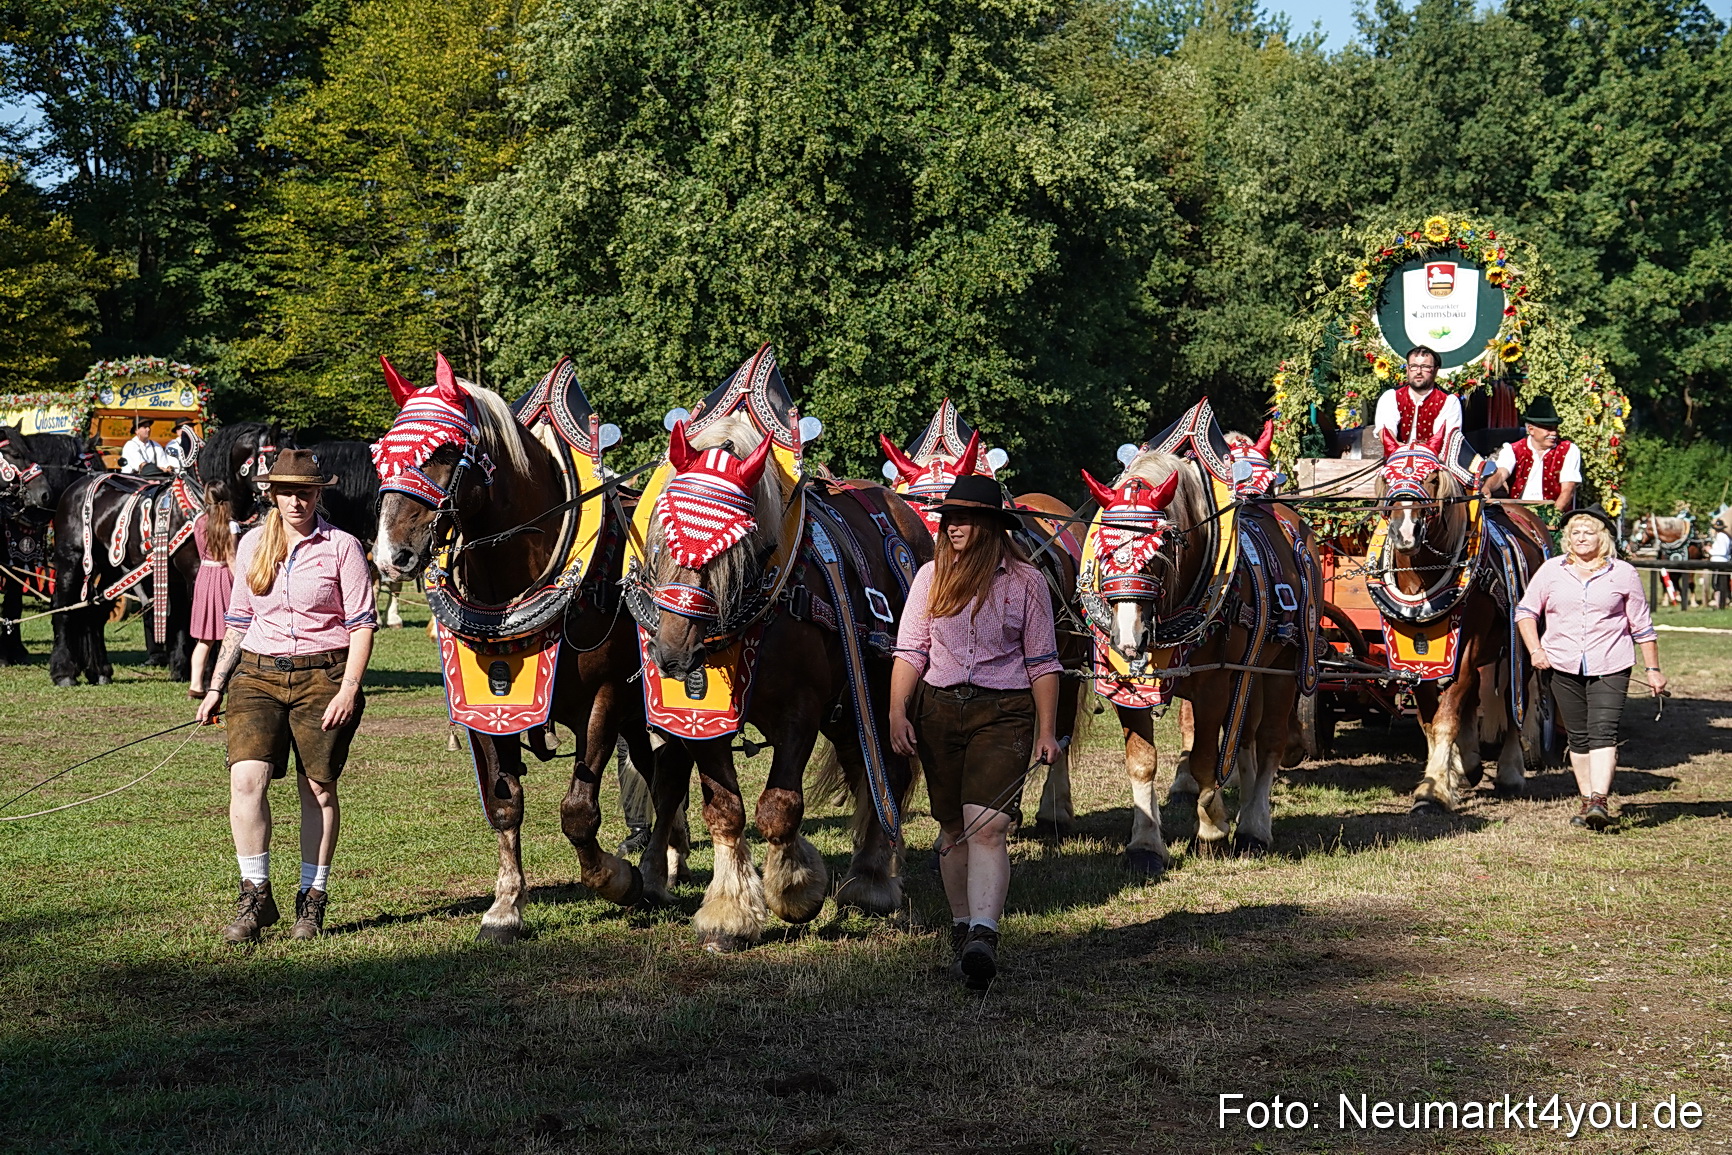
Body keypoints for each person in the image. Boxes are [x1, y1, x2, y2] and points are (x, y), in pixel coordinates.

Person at [195, 450, 377, 943]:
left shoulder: (342, 547)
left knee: (317, 788)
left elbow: (361, 623)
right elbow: (237, 622)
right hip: (256, 675)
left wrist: (348, 689)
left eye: (306, 491)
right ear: (271, 495)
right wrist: (215, 686)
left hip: (324, 676)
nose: (296, 501)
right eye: (287, 491)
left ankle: (311, 900)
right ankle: (255, 896)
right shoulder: (252, 542)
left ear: (319, 493)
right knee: (246, 780)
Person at [888, 474, 1062, 988]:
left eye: (964, 518)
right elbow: (910, 650)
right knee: (950, 828)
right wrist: (899, 711)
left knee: (986, 825)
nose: (953, 527)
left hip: (1003, 711)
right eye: (949, 518)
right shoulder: (929, 577)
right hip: (938, 710)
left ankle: (985, 934)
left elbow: (1043, 662)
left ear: (990, 526)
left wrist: (1047, 731)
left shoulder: (1026, 582)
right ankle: (963, 929)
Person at [1515, 506, 1665, 830]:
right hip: (1562, 663)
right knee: (1578, 736)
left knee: (1603, 730)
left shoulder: (1623, 573)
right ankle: (1587, 802)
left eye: (1589, 531)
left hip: (1611, 663)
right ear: (1568, 538)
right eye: (1576, 532)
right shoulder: (1551, 570)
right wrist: (1535, 649)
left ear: (1603, 537)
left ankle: (1599, 799)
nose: (1582, 538)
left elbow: (1642, 626)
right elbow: (1525, 612)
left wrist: (1653, 669)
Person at [1487, 396, 1580, 514]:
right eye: (1548, 429)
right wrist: (1487, 487)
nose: (1554, 433)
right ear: (1531, 429)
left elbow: (1568, 489)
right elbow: (1500, 474)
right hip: (1518, 511)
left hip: (1553, 511)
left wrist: (1554, 516)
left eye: (1555, 428)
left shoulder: (1569, 450)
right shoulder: (1512, 449)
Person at [187, 499, 237, 697]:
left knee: (204, 638)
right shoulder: (229, 524)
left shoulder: (199, 521)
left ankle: (196, 685)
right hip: (223, 576)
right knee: (230, 635)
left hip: (204, 575)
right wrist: (242, 582)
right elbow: (231, 558)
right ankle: (224, 683)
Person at [1371, 345, 1462, 447]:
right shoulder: (1390, 396)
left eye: (1425, 367)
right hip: (1397, 457)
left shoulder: (1449, 401)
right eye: (1413, 366)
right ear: (1407, 369)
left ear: (1436, 370)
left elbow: (1446, 440)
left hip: (1434, 459)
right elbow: (1386, 432)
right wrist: (1402, 452)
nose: (1418, 371)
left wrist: (1421, 454)